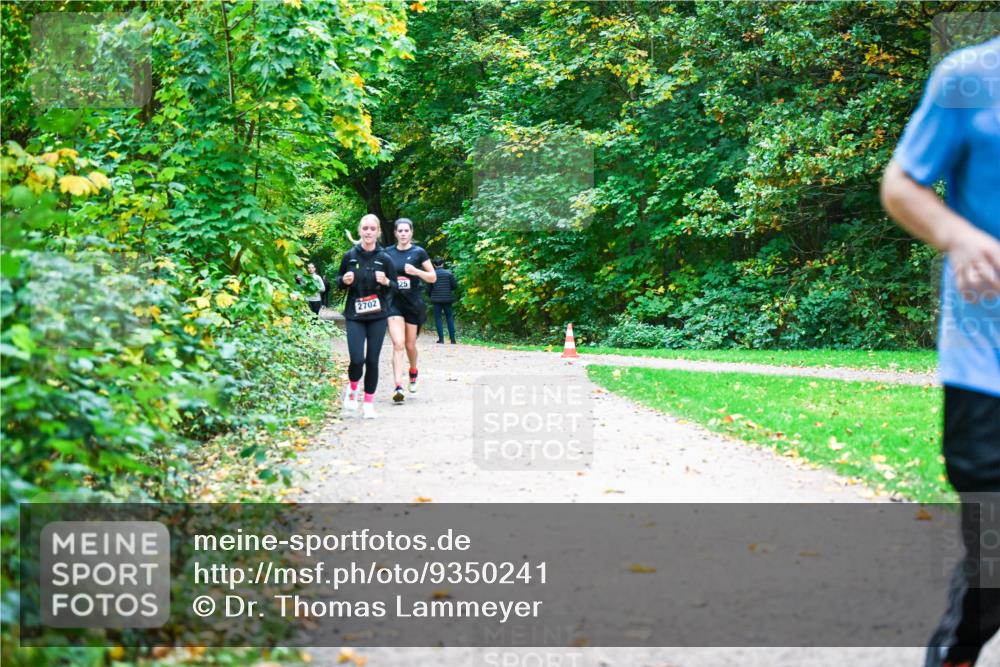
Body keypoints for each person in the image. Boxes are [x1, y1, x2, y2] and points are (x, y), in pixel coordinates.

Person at [880, 36, 1000, 667]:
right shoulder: (970, 78)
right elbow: (901, 184)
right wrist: (956, 235)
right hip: (987, 360)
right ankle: (955, 654)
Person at [335, 214, 398, 419]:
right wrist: (344, 280)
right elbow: (337, 281)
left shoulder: (385, 258)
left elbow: (395, 287)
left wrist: (387, 281)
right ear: (359, 230)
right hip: (355, 314)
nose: (368, 232)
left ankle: (369, 403)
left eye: (372, 229)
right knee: (357, 358)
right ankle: (353, 389)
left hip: (377, 315)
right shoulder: (350, 255)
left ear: (378, 232)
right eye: (365, 228)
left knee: (372, 360)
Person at [384, 218, 436, 403]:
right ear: (396, 233)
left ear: (411, 233)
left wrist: (416, 272)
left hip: (412, 303)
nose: (403, 234)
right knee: (398, 343)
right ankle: (398, 386)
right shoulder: (387, 252)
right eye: (400, 231)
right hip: (394, 303)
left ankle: (413, 371)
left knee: (409, 345)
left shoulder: (419, 252)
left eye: (407, 231)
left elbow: (432, 277)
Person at [427, 257, 458, 344]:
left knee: (438, 318)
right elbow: (455, 286)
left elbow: (428, 289)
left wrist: (432, 295)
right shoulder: (448, 274)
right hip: (447, 299)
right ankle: (453, 339)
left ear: (434, 265)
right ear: (443, 264)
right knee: (449, 318)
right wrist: (448, 290)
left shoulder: (432, 275)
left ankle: (441, 340)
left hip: (436, 300)